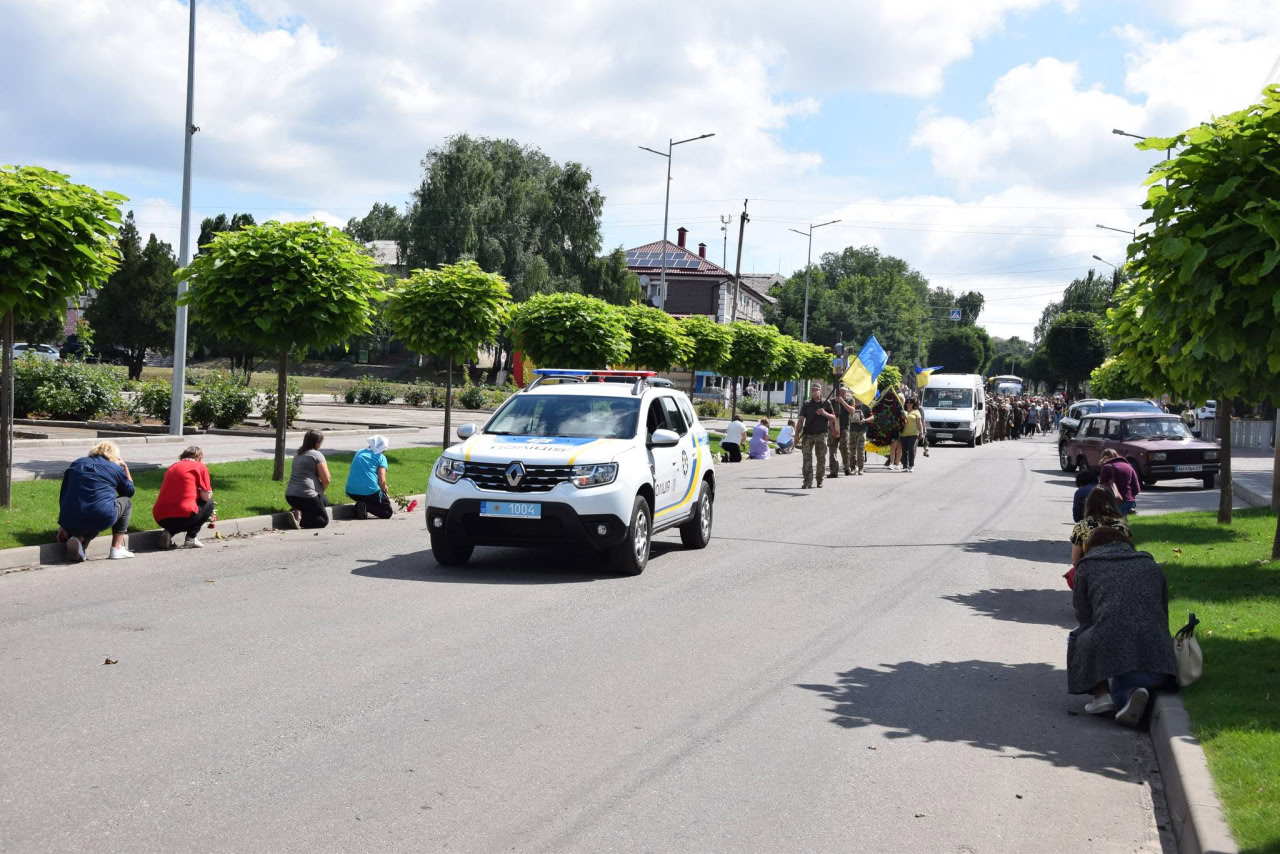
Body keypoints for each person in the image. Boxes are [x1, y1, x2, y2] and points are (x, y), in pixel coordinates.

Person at [1068, 526, 1178, 726]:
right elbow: (1163, 613)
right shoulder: (1150, 565)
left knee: (1078, 636)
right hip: (1157, 654)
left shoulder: (1087, 566)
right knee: (1133, 680)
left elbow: (1084, 617)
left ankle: (1102, 694)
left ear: (1091, 546)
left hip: (1114, 648)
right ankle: (1135, 695)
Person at [57, 441, 136, 562]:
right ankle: (117, 548)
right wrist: (125, 468)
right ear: (115, 455)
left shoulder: (77, 463)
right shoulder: (115, 468)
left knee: (88, 513)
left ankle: (78, 541)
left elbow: (64, 495)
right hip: (100, 515)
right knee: (125, 502)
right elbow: (129, 492)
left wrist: (63, 524)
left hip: (69, 517)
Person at [152, 446, 215, 548]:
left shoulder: (172, 466)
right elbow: (206, 497)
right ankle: (191, 538)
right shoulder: (200, 467)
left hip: (160, 516)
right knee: (209, 502)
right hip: (184, 513)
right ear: (200, 457)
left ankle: (169, 532)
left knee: (180, 515)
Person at [1069, 486, 1130, 567]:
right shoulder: (1123, 525)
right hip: (1119, 568)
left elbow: (1075, 561)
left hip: (1092, 569)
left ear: (1089, 503)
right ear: (1112, 503)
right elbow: (1129, 551)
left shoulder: (1081, 527)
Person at [286, 429, 332, 529]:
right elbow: (326, 479)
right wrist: (322, 491)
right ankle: (301, 519)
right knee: (322, 521)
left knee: (324, 501)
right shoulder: (316, 454)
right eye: (320, 442)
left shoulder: (298, 455)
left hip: (290, 495)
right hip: (307, 496)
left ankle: (298, 510)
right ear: (317, 443)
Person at [796, 383, 836, 489]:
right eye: (812, 390)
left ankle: (819, 480)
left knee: (821, 458)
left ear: (820, 391)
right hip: (808, 434)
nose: (814, 392)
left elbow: (833, 418)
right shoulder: (807, 404)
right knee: (807, 459)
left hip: (821, 434)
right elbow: (800, 420)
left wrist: (824, 413)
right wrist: (796, 435)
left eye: (816, 390)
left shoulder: (826, 403)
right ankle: (807, 481)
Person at [345, 435, 394, 520]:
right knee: (387, 512)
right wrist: (384, 489)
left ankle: (360, 506)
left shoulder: (359, 452)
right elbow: (382, 480)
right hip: (370, 492)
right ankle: (365, 506)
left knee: (367, 497)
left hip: (351, 491)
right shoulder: (381, 457)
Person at [1098, 448, 1141, 516]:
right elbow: (1137, 488)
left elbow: (1101, 487)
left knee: (1114, 524)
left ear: (1103, 457)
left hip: (1115, 501)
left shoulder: (1107, 467)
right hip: (1130, 501)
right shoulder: (1129, 466)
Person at [829, 386, 854, 477]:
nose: (842, 393)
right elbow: (829, 417)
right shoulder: (831, 401)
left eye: (844, 391)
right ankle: (833, 471)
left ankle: (847, 468)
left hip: (844, 428)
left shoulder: (850, 400)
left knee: (845, 449)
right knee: (832, 450)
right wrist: (832, 429)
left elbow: (852, 411)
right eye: (841, 391)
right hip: (833, 428)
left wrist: (842, 402)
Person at [900, 398, 923, 473]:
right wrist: (903, 418)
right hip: (904, 434)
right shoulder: (903, 412)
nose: (909, 404)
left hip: (913, 433)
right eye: (907, 402)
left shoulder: (916, 412)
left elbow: (919, 424)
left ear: (913, 404)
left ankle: (911, 466)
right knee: (904, 450)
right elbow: (900, 423)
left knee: (911, 448)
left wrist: (921, 433)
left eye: (910, 403)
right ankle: (905, 466)